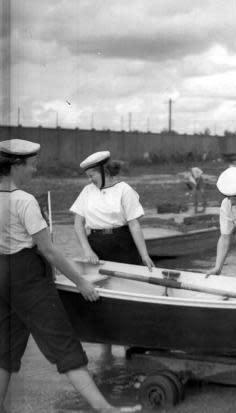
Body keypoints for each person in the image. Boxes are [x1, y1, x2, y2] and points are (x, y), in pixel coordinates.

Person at [0, 139, 139, 413]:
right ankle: (105, 409)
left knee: (5, 347)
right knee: (63, 342)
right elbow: (49, 252)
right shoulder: (23, 201)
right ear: (16, 165)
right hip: (26, 276)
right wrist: (82, 282)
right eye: (31, 165)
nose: (34, 171)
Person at [70, 150, 154, 361]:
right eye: (88, 176)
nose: (89, 179)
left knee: (130, 294)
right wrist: (87, 250)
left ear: (104, 170)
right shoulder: (87, 191)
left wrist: (144, 256)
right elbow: (78, 223)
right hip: (97, 247)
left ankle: (132, 346)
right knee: (100, 296)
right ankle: (105, 348)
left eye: (92, 175)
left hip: (123, 245)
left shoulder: (124, 190)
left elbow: (134, 224)